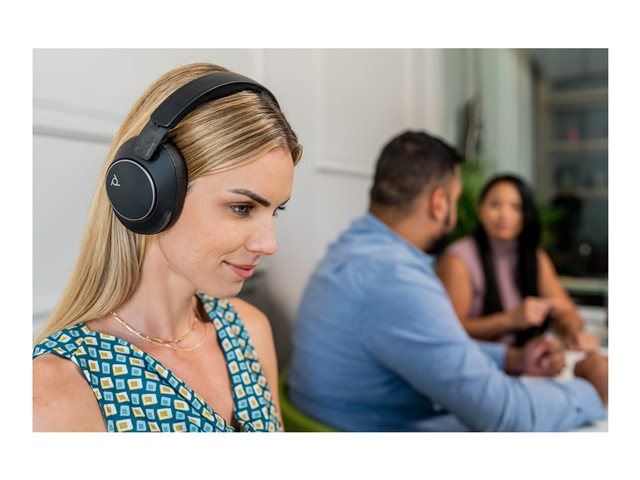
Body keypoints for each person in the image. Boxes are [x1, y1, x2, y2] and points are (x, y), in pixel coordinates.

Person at [32, 63, 302, 432]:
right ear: (149, 192)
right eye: (242, 208)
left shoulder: (249, 330)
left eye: (276, 210)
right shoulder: (53, 394)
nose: (268, 244)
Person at [287, 131, 607, 431]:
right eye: (456, 199)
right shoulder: (397, 279)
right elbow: (508, 415)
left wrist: (511, 358)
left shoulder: (351, 249)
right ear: (439, 203)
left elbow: (433, 346)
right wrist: (593, 387)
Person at [436, 174, 600, 352]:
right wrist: (510, 320)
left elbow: (564, 309)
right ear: (479, 209)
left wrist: (574, 333)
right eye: (495, 205)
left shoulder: (533, 255)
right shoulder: (458, 259)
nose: (504, 215)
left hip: (524, 360)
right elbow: (450, 329)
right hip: (476, 359)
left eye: (516, 207)